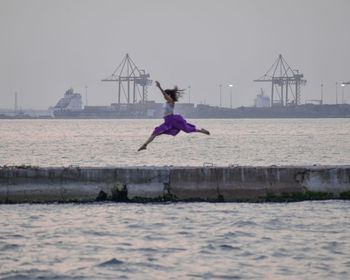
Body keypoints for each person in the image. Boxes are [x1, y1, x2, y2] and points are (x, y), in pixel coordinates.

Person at [138, 81, 210, 151]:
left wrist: (159, 87)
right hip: (168, 121)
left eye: (166, 95)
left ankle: (201, 131)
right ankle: (145, 145)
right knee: (156, 132)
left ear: (168, 95)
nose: (164, 97)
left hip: (172, 120)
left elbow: (164, 95)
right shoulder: (167, 102)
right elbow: (165, 96)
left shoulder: (171, 101)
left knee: (187, 130)